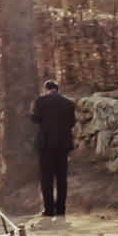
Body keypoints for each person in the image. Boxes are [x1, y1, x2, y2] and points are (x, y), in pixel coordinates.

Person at [30, 77, 77, 217]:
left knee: (47, 178)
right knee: (62, 178)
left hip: (46, 145)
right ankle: (61, 209)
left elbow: (36, 119)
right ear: (57, 89)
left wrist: (31, 113)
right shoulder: (69, 103)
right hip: (63, 145)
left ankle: (49, 209)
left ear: (46, 89)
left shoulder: (40, 101)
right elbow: (72, 123)